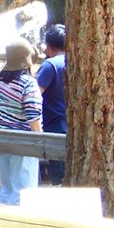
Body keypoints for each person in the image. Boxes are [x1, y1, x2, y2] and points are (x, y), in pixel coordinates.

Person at [0, 38, 42, 205]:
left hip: (1, 141)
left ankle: (4, 224)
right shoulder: (28, 84)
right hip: (23, 143)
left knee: (7, 187)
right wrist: (40, 141)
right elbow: (33, 116)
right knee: (24, 190)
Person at [36, 24, 67, 185]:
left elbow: (34, 95)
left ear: (48, 46)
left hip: (55, 126)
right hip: (76, 127)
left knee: (59, 178)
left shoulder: (50, 66)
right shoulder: (77, 62)